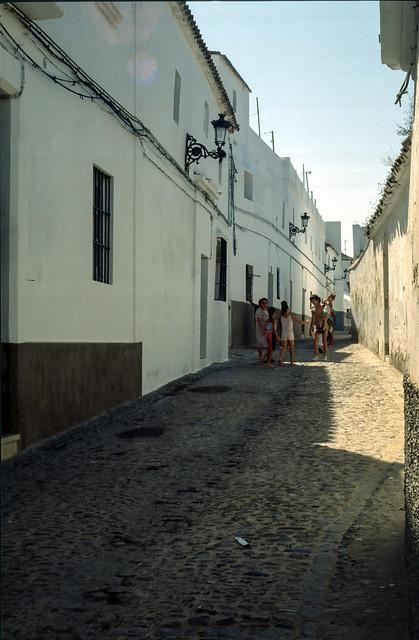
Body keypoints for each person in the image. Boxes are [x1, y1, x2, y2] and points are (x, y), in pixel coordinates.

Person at [278, 300, 309, 366]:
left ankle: (280, 360)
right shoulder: (290, 315)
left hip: (284, 332)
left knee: (283, 347)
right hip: (290, 332)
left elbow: (279, 325)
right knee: (292, 348)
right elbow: (298, 321)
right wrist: (305, 322)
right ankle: (292, 362)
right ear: (288, 308)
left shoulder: (280, 315)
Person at [309, 295, 328, 360]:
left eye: (313, 300)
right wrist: (311, 328)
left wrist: (324, 325)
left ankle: (325, 355)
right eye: (311, 301)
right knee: (315, 341)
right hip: (316, 326)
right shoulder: (313, 310)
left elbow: (325, 317)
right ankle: (316, 356)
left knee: (324, 340)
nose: (312, 302)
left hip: (323, 326)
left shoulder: (323, 307)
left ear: (317, 300)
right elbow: (313, 319)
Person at [255, 298, 269, 365]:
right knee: (260, 344)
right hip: (260, 329)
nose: (265, 304)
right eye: (263, 303)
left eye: (266, 303)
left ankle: (264, 357)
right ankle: (261, 358)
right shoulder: (259, 310)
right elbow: (259, 321)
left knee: (266, 344)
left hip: (266, 329)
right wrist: (263, 329)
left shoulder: (266, 310)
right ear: (260, 304)